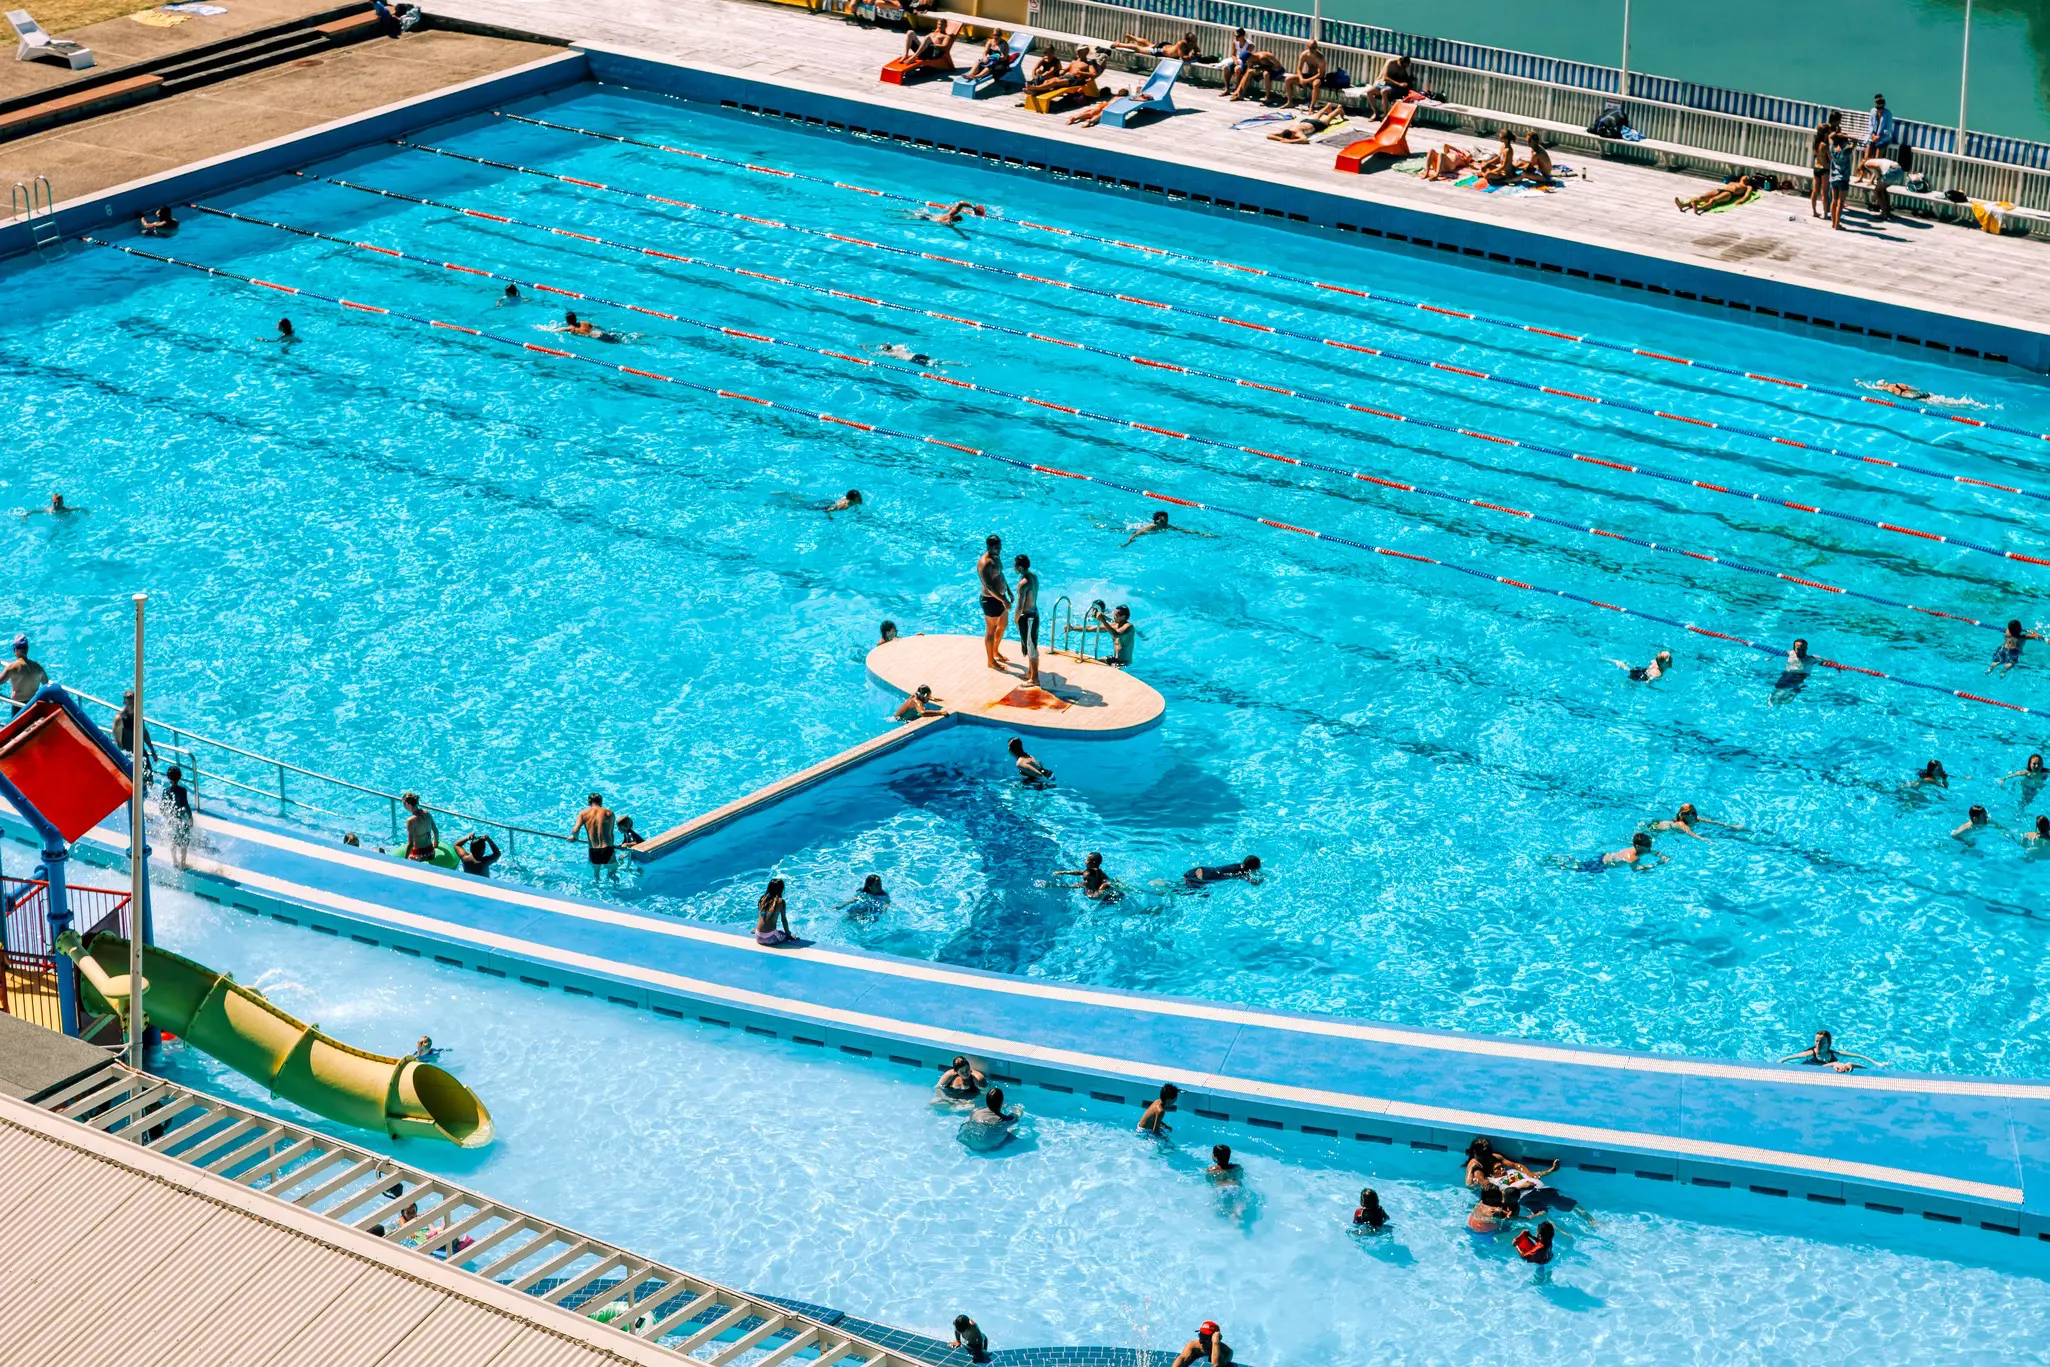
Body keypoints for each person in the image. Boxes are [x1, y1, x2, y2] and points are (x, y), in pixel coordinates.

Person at [977, 535, 1012, 671]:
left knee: (1003, 626)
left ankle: (995, 651)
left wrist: (1008, 590)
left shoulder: (996, 556)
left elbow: (1000, 575)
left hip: (1001, 597)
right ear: (989, 547)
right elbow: (989, 586)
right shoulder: (984, 563)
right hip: (991, 600)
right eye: (997, 547)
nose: (999, 549)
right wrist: (1004, 600)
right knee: (991, 631)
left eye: (1000, 547)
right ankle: (990, 661)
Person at [1781, 1028, 1882, 1073]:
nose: (1818, 1045)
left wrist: (1876, 1063)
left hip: (1828, 1068)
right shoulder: (1810, 1054)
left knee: (1847, 1065)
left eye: (1822, 1043)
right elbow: (1789, 1058)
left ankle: (1850, 1064)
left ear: (1829, 1044)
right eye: (1816, 1042)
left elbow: (1859, 1056)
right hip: (1809, 1069)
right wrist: (1780, 1062)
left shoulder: (1835, 1054)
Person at [959, 1086, 1020, 1150]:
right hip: (988, 1146)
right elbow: (1017, 1117)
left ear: (986, 1101)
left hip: (970, 1141)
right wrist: (1018, 1110)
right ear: (1001, 1102)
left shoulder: (976, 1111)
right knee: (1014, 1129)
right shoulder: (1004, 1120)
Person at [1012, 553, 1041, 687]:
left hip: (1028, 617)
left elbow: (1019, 606)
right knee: (1030, 646)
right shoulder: (1033, 576)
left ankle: (1035, 678)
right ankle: (1030, 673)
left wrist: (1016, 619)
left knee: (1031, 647)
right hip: (1034, 613)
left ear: (1019, 567)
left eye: (1015, 565)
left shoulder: (1023, 584)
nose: (1013, 567)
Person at [1571, 831, 1664, 871]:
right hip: (1600, 865)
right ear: (1638, 847)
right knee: (1577, 868)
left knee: (1581, 864)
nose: (1650, 847)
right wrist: (1655, 865)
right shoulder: (1631, 858)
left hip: (1603, 857)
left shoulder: (1638, 849)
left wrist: (1662, 856)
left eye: (1650, 844)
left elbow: (1650, 851)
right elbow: (1636, 869)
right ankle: (1560, 865)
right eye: (1648, 845)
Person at [571, 792, 618, 872]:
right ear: (601, 801)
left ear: (589, 802)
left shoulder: (583, 814)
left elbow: (575, 830)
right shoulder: (609, 813)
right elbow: (611, 833)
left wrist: (575, 837)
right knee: (612, 874)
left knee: (596, 875)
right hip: (608, 849)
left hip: (593, 850)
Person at [1675, 172, 1761, 214]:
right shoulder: (1734, 182)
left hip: (1730, 194)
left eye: (1748, 177)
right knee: (1702, 198)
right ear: (1741, 177)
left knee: (1713, 200)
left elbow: (1747, 195)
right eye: (1745, 175)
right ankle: (1683, 205)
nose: (1747, 176)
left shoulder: (1748, 187)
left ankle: (1698, 209)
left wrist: (1741, 201)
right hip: (1720, 190)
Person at [3, 634, 48, 712]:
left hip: (18, 705)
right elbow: (46, 683)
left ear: (15, 650)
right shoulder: (38, 667)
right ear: (27, 649)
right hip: (33, 704)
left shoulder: (12, 668)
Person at [160, 764, 193, 868]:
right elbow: (186, 805)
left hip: (172, 820)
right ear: (180, 777)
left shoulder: (165, 791)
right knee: (184, 843)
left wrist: (166, 816)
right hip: (182, 820)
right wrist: (190, 818)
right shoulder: (183, 791)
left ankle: (174, 861)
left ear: (168, 777)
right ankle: (183, 863)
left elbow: (162, 807)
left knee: (172, 841)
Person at [1645, 803, 1735, 841]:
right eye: (1688, 813)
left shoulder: (1696, 818)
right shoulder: (1681, 824)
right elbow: (1691, 833)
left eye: (1693, 813)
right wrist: (1707, 840)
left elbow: (1713, 822)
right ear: (1682, 815)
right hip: (1653, 829)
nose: (1691, 815)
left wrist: (1731, 826)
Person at [1809, 111, 1840, 217]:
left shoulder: (1815, 144)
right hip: (1824, 169)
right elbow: (1831, 158)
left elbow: (1815, 155)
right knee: (1824, 192)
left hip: (1816, 168)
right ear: (1825, 134)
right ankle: (1826, 213)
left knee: (1814, 191)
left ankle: (1814, 212)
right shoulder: (1825, 145)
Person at [1085, 603, 1136, 668]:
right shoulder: (1115, 625)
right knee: (1091, 663)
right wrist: (1071, 628)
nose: (1113, 616)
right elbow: (1091, 628)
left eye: (1115, 615)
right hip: (1113, 658)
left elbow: (1116, 634)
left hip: (1123, 663)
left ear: (1123, 617)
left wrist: (1103, 620)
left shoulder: (1129, 627)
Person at [1267, 102, 1346, 143]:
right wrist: (1280, 138)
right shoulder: (1285, 131)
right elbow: (1269, 135)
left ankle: (1338, 109)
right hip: (1306, 121)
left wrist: (1290, 141)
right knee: (1318, 114)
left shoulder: (1297, 132)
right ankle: (1327, 106)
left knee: (1329, 118)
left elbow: (1305, 140)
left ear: (1292, 134)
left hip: (1315, 125)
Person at [1858, 149, 1902, 222]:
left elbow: (1877, 167)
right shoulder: (1876, 160)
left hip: (1891, 171)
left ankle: (1884, 213)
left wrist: (1881, 176)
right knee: (1883, 191)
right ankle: (1888, 212)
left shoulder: (1867, 163)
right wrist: (1873, 180)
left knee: (1877, 191)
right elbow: (1876, 171)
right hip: (1898, 170)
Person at [1366, 53, 1415, 118]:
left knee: (1384, 91)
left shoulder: (1404, 68)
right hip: (1383, 83)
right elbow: (1385, 78)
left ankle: (1385, 115)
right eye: (1402, 66)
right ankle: (1376, 112)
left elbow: (1405, 80)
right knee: (1369, 92)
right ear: (1399, 61)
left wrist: (1405, 84)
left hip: (1392, 87)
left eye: (1405, 67)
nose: (1403, 68)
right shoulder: (1391, 63)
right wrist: (1398, 83)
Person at [1281, 40, 1326, 108]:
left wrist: (1306, 80)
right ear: (1307, 47)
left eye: (1314, 48)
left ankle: (1311, 107)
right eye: (1311, 47)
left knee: (1315, 84)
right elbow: (1299, 69)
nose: (1312, 50)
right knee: (1288, 79)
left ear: (1317, 47)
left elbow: (1321, 74)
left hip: (1318, 78)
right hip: (1308, 76)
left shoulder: (1320, 57)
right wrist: (1301, 79)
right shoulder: (1304, 55)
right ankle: (1290, 102)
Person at [1826, 133, 1856, 230]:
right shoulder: (1846, 151)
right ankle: (1837, 225)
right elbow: (1855, 141)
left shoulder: (1832, 149)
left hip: (1833, 177)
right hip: (1843, 178)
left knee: (1834, 201)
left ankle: (1833, 222)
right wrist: (1847, 136)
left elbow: (1830, 136)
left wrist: (1839, 135)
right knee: (1841, 202)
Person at [755, 877, 794, 947]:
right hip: (771, 938)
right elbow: (784, 920)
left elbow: (761, 917)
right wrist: (788, 934)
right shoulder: (780, 901)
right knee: (783, 933)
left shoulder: (762, 899)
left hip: (758, 936)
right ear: (781, 889)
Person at [401, 792, 439, 862]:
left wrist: (404, 860)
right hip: (431, 852)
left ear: (407, 804)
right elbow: (436, 831)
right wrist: (435, 845)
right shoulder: (427, 813)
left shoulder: (410, 821)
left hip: (418, 855)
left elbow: (410, 844)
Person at [1184, 855, 1261, 886]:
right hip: (1202, 877)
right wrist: (1262, 879)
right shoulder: (1241, 873)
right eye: (1258, 867)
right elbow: (1255, 883)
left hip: (1200, 870)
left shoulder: (1238, 865)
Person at [1865, 93, 1895, 159]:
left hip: (1883, 138)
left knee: (1877, 157)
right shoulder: (1872, 111)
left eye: (1881, 108)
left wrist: (1878, 137)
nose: (1879, 110)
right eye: (1877, 107)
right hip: (1872, 137)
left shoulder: (1888, 114)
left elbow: (1888, 129)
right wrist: (1873, 135)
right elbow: (1870, 124)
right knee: (1867, 156)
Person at [917, 200, 985, 227]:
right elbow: (955, 229)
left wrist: (973, 207)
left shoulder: (951, 214)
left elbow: (961, 203)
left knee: (913, 212)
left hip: (929, 215)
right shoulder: (949, 221)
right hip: (927, 218)